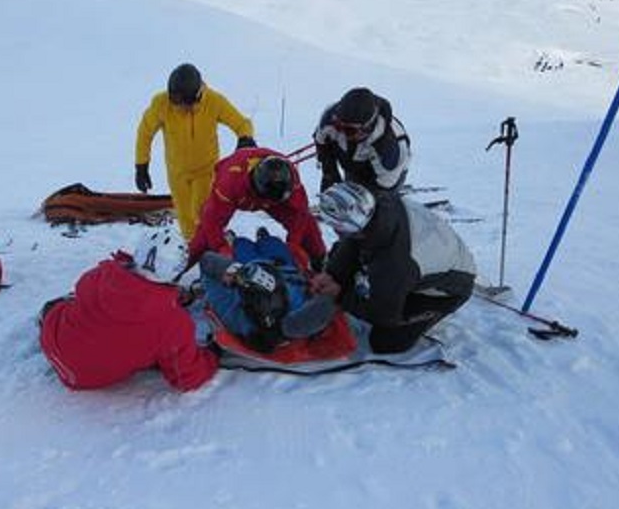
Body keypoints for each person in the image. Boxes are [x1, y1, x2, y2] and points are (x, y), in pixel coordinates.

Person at [38, 225, 218, 391]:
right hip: (87, 378)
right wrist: (213, 355)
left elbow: (86, 291)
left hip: (52, 342)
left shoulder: (101, 274)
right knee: (151, 343)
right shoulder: (173, 322)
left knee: (69, 305)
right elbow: (188, 377)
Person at [312, 182, 475, 354]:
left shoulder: (395, 263)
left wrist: (341, 295)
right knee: (346, 259)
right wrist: (332, 274)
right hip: (426, 257)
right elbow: (352, 242)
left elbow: (383, 313)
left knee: (386, 342)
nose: (336, 231)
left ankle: (431, 310)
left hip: (450, 287)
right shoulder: (378, 204)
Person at [135, 63, 256, 239]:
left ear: (196, 96)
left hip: (205, 170)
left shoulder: (214, 102)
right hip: (177, 172)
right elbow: (145, 132)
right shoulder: (161, 104)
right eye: (175, 102)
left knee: (201, 212)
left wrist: (245, 138)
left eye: (183, 103)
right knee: (184, 217)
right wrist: (141, 165)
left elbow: (242, 123)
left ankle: (211, 243)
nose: (179, 107)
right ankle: (193, 249)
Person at [187, 147, 327, 271]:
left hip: (275, 200)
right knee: (205, 233)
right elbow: (211, 220)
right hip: (239, 189)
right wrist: (220, 247)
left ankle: (320, 260)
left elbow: (300, 213)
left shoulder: (292, 181)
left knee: (308, 225)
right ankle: (189, 264)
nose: (265, 205)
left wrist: (293, 244)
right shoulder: (229, 183)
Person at [199, 228, 336, 353]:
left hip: (249, 263)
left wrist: (233, 270)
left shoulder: (232, 313)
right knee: (272, 243)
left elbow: (207, 263)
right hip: (285, 267)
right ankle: (263, 237)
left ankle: (238, 240)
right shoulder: (294, 319)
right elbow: (325, 307)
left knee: (242, 244)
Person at [313, 86, 411, 192]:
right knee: (351, 186)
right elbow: (322, 143)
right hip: (353, 163)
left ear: (368, 128)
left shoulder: (389, 149)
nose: (340, 133)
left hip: (388, 176)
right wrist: (329, 172)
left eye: (349, 130)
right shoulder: (330, 118)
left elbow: (385, 187)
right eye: (338, 126)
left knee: (381, 203)